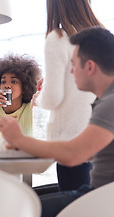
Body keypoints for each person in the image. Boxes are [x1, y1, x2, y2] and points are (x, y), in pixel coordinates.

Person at [0, 27, 114, 217]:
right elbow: (88, 151)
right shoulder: (105, 101)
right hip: (99, 196)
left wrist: (20, 139)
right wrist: (25, 144)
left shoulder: (111, 104)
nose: (70, 72)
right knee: (22, 203)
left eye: (73, 64)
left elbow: (73, 154)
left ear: (90, 67)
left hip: (100, 201)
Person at [32, 0, 104, 191]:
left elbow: (53, 98)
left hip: (70, 145)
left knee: (73, 213)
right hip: (100, 145)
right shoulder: (103, 38)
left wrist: (37, 99)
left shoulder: (58, 37)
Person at [0, 53, 40, 145]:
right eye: (3, 81)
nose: (7, 85)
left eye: (14, 81)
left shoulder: (33, 109)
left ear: (24, 87)